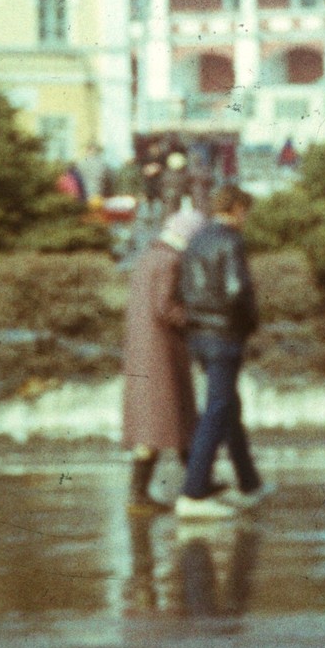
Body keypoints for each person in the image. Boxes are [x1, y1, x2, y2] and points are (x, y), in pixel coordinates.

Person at [175, 181, 265, 520]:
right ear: (238, 209)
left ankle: (249, 482)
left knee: (227, 405)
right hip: (225, 333)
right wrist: (250, 321)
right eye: (246, 212)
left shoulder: (196, 239)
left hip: (198, 333)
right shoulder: (231, 240)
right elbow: (235, 289)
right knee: (218, 408)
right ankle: (194, 491)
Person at [121, 206, 203, 510]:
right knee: (175, 418)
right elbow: (165, 307)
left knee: (155, 423)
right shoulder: (171, 261)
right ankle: (198, 487)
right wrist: (197, 318)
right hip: (162, 351)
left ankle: (143, 493)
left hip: (142, 352)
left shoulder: (149, 257)